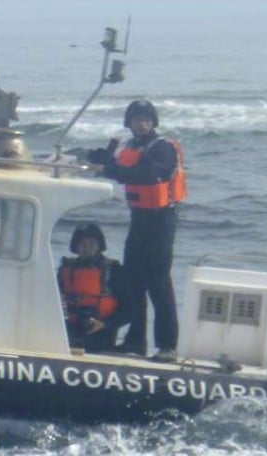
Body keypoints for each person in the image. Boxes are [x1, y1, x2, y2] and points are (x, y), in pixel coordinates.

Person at [87, 99, 186, 362]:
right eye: (136, 119)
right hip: (139, 218)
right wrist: (93, 158)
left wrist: (109, 169)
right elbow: (110, 162)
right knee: (134, 281)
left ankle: (167, 346)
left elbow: (149, 174)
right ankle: (135, 343)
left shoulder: (164, 148)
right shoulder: (127, 145)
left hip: (161, 222)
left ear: (153, 122)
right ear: (128, 123)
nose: (141, 124)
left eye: (146, 119)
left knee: (158, 282)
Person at [57, 222, 130, 352]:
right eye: (82, 244)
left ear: (99, 245)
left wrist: (105, 324)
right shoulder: (65, 269)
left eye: (91, 243)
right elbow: (53, 299)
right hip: (70, 330)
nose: (87, 248)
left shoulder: (113, 270)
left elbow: (129, 309)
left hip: (102, 334)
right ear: (75, 246)